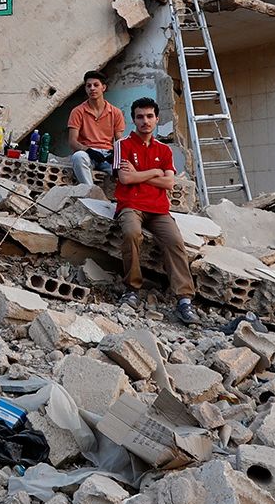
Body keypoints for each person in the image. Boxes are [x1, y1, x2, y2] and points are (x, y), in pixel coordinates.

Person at [113, 97, 198, 325]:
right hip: (131, 205)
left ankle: (184, 300)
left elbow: (169, 184)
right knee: (131, 232)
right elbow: (125, 178)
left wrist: (141, 173)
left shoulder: (165, 150)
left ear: (157, 119)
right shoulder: (123, 145)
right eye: (140, 116)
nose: (145, 121)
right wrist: (155, 173)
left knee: (175, 241)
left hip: (159, 209)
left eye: (150, 116)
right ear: (133, 120)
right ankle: (131, 289)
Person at [67, 70, 126, 186]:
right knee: (78, 157)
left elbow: (119, 140)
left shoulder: (116, 112)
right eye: (88, 86)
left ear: (103, 87)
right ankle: (90, 192)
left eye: (96, 85)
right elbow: (72, 141)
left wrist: (115, 153)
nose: (92, 88)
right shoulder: (78, 111)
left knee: (126, 166)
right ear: (85, 89)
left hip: (107, 155)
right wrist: (88, 150)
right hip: (87, 153)